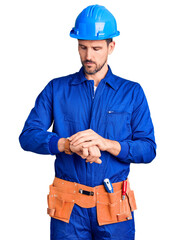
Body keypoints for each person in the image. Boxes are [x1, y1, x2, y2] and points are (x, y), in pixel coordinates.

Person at [19, 4, 156, 240]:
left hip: (114, 209)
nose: (88, 56)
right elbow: (28, 135)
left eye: (96, 48)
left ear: (111, 47)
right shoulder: (56, 88)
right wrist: (66, 144)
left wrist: (107, 144)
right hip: (68, 209)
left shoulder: (132, 92)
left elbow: (148, 149)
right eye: (82, 47)